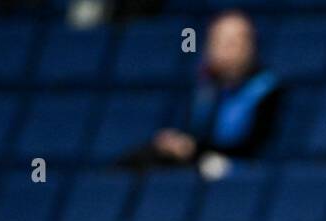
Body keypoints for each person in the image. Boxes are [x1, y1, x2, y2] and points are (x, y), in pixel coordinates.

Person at [120, 10, 280, 170]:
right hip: (195, 162)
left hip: (235, 168)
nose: (224, 50)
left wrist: (195, 149)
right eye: (218, 41)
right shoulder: (201, 87)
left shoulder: (267, 88)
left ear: (251, 46)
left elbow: (256, 147)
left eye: (233, 42)